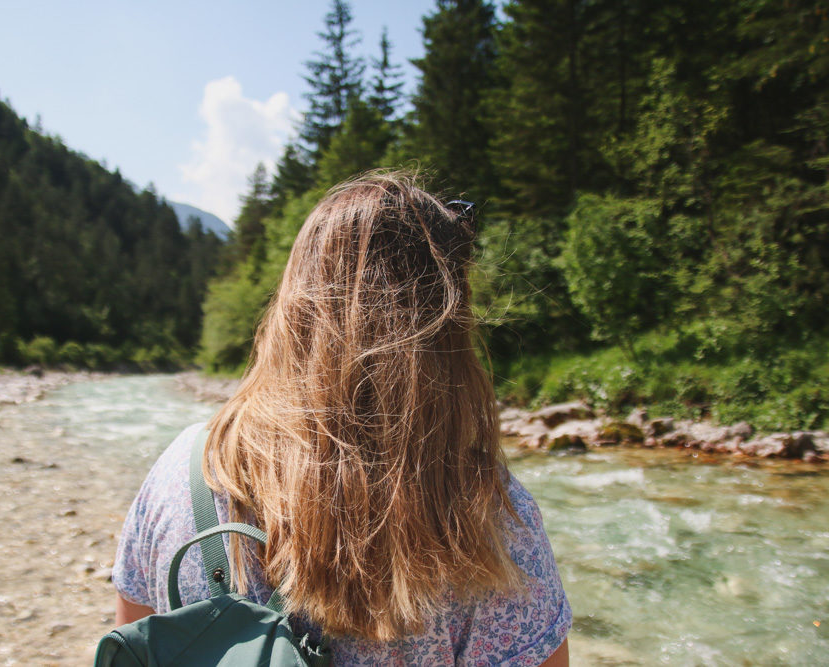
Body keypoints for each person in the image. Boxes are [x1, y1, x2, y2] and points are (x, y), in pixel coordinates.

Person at [112, 172, 571, 666]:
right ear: (448, 327)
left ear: (293, 304)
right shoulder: (490, 519)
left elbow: (136, 643)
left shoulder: (185, 468)